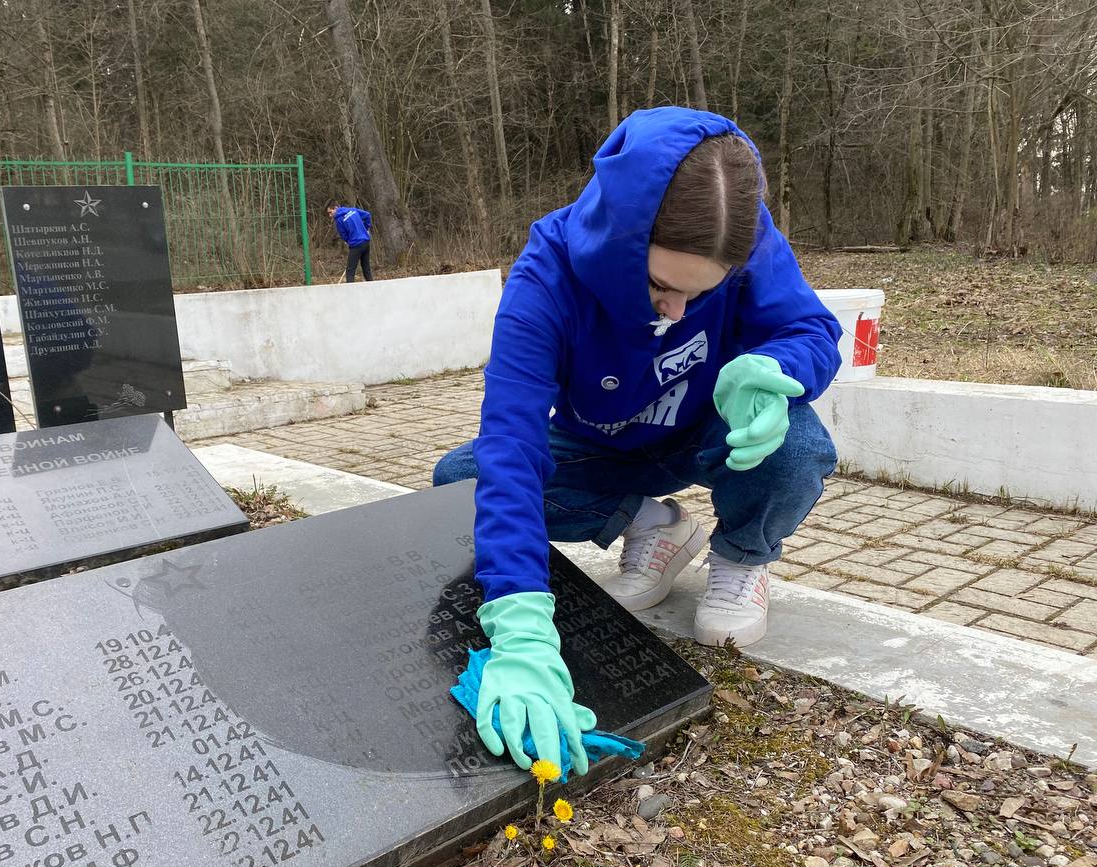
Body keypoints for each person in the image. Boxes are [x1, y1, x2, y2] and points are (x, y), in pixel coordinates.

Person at [432, 107, 841, 775]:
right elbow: (511, 443)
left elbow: (811, 331)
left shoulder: (748, 235)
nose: (678, 311)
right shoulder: (546, 276)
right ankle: (652, 524)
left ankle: (741, 556)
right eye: (660, 286)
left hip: (712, 433)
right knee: (461, 480)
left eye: (700, 294)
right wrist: (521, 628)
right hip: (601, 449)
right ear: (620, 242)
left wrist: (777, 373)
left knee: (795, 444)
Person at [326, 200, 374, 282]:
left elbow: (343, 235)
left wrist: (348, 241)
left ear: (336, 208)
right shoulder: (353, 210)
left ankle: (350, 291)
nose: (330, 215)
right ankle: (372, 287)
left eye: (330, 212)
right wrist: (365, 229)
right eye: (329, 214)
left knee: (350, 270)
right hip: (366, 242)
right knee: (366, 267)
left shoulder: (338, 220)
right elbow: (367, 215)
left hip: (356, 245)